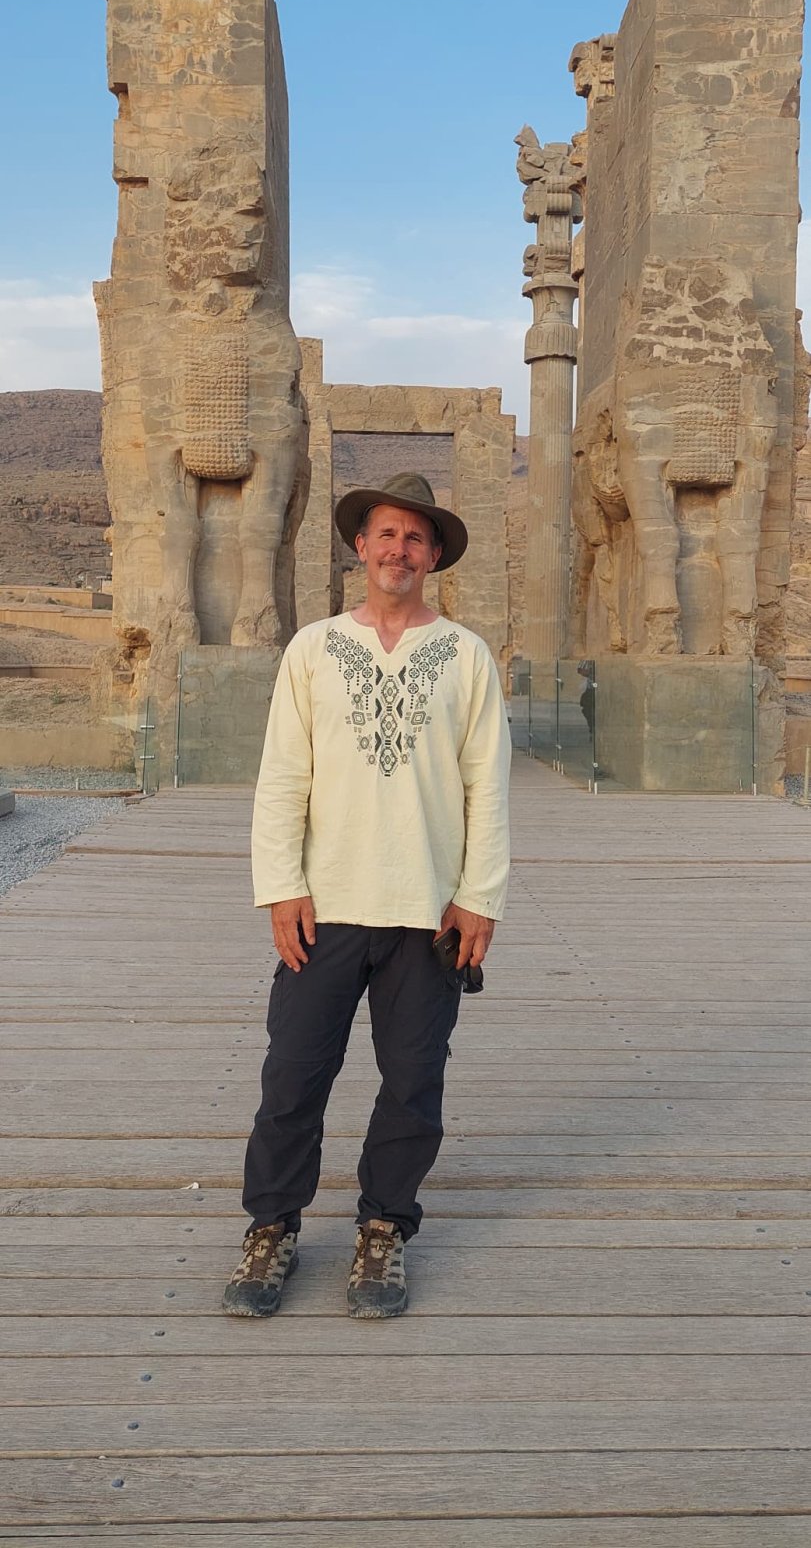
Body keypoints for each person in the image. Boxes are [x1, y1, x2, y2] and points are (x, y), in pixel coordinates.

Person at [222, 471, 511, 1320]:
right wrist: (280, 888)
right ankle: (271, 1228)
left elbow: (484, 787)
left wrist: (477, 898)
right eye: (386, 534)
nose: (398, 550)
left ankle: (383, 1228)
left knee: (413, 1082)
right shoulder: (312, 648)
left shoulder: (464, 656)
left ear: (433, 558)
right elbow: (283, 778)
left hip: (426, 910)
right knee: (292, 1078)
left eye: (415, 539)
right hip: (326, 904)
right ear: (361, 546)